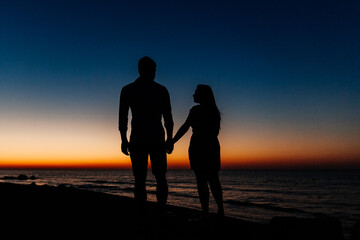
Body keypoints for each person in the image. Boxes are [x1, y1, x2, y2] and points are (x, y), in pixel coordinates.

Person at [118, 56, 174, 211]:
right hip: (153, 138)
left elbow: (123, 118)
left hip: (140, 138)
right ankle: (159, 209)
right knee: (158, 177)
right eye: (154, 70)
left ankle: (143, 210)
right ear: (145, 70)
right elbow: (168, 117)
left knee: (141, 179)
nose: (155, 72)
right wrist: (169, 138)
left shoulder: (129, 89)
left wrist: (123, 139)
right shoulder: (160, 90)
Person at [172, 84, 224, 217]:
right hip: (207, 146)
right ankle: (218, 210)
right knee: (212, 180)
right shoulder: (212, 111)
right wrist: (172, 141)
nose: (193, 95)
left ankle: (208, 211)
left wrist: (172, 142)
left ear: (203, 95)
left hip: (200, 146)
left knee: (204, 181)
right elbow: (185, 128)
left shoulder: (197, 110)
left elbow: (185, 127)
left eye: (196, 92)